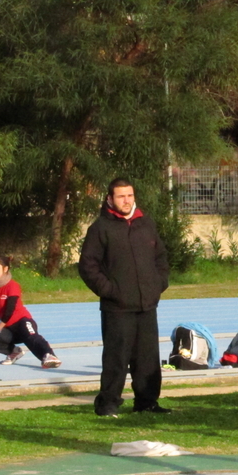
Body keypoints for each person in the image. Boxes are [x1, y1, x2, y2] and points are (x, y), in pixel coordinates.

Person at [78, 178, 170, 417]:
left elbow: (160, 257)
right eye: (121, 196)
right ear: (110, 199)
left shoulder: (146, 224)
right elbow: (88, 266)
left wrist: (158, 284)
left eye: (129, 195)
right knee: (116, 359)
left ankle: (147, 403)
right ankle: (107, 404)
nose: (126, 200)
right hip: (117, 308)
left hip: (147, 305)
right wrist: (110, 290)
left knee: (148, 359)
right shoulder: (100, 228)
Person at [0, 256, 61, 368]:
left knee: (31, 337)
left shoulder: (12, 286)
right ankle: (13, 352)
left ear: (5, 269)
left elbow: (9, 310)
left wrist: (0, 327)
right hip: (9, 330)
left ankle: (49, 356)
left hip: (22, 322)